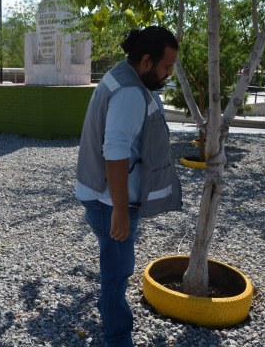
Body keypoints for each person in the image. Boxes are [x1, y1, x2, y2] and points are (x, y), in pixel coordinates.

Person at [76, 26, 183, 347]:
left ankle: (113, 327)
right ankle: (118, 339)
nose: (168, 74)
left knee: (115, 271)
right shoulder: (129, 93)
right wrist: (120, 212)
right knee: (116, 275)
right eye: (166, 67)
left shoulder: (121, 74)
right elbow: (116, 152)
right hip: (110, 204)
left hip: (100, 196)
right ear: (146, 61)